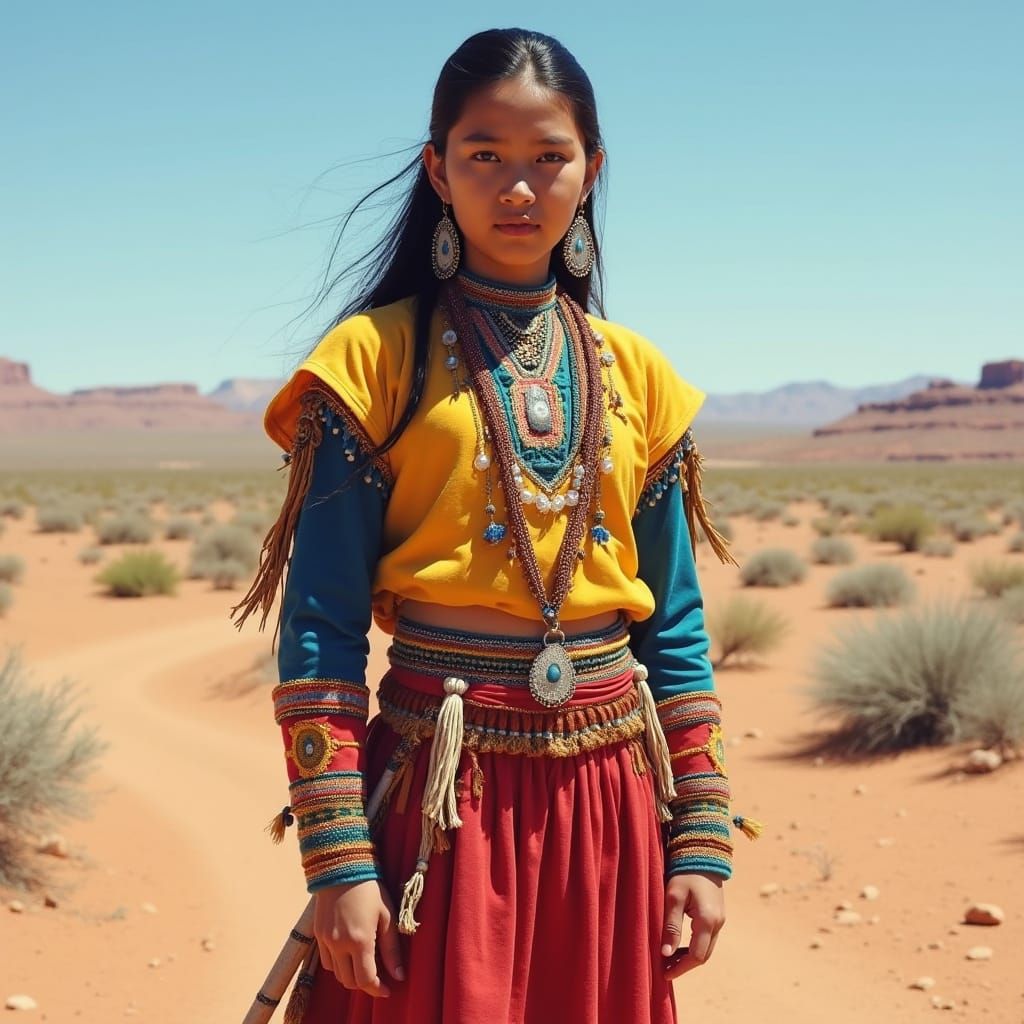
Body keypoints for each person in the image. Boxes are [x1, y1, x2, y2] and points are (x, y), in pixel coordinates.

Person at [232, 26, 759, 1024]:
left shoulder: (641, 375)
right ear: (438, 169)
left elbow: (677, 633)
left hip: (610, 805)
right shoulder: (370, 362)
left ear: (591, 169)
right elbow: (321, 631)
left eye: (548, 157)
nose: (518, 188)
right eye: (484, 156)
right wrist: (339, 859)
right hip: (440, 800)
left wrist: (701, 841)